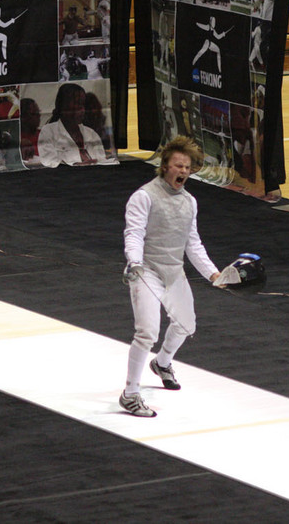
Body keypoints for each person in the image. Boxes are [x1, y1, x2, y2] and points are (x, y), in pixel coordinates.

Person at [118, 136, 221, 417]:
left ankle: (162, 363)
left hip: (174, 272)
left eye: (187, 167)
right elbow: (134, 233)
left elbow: (193, 243)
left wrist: (213, 274)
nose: (183, 171)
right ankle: (130, 394)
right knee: (147, 331)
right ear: (165, 166)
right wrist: (135, 262)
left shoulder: (190, 202)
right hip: (147, 271)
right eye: (178, 165)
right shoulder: (144, 196)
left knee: (187, 325)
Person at [37, 83, 107, 167]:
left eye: (83, 104)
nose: (82, 109)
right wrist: (76, 164)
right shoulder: (48, 131)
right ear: (63, 105)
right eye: (78, 103)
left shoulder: (91, 133)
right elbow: (48, 160)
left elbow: (102, 161)